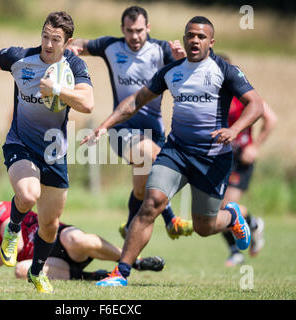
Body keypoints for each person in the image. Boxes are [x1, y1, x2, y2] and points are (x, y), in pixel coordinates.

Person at [82, 16, 265, 287]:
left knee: (204, 227)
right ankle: (121, 273)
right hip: (176, 152)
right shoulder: (172, 71)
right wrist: (104, 125)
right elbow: (135, 101)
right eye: (190, 35)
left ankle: (232, 216)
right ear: (184, 39)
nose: (195, 40)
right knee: (151, 203)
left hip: (212, 158)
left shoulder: (225, 70)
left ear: (211, 42)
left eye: (201, 37)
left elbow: (256, 104)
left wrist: (235, 130)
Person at [0, 12, 94, 293]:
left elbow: (87, 103)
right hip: (20, 144)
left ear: (67, 42)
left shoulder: (74, 66)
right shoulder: (21, 59)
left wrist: (57, 90)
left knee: (50, 225)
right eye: (45, 36)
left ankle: (36, 272)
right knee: (28, 194)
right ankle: (13, 229)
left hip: (55, 153)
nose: (47, 43)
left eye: (55, 39)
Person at [67, 5, 193, 240]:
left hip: (154, 131)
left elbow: (187, 78)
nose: (134, 36)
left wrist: (182, 61)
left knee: (141, 188)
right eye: (129, 31)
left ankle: (128, 228)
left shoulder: (162, 50)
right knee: (155, 156)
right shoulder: (111, 47)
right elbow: (81, 45)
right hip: (121, 130)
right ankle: (171, 219)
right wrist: (69, 48)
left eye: (139, 30)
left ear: (148, 28)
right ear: (122, 29)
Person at [0, 195, 165, 281]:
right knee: (22, 271)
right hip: (50, 263)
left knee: (80, 241)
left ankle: (135, 261)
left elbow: (16, 244)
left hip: (60, 239)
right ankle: (94, 276)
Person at [218, 54, 278, 267]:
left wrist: (255, 145)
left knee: (227, 206)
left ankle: (251, 225)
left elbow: (270, 118)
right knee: (215, 208)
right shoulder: (210, 95)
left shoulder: (242, 93)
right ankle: (238, 247)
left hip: (240, 158)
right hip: (219, 157)